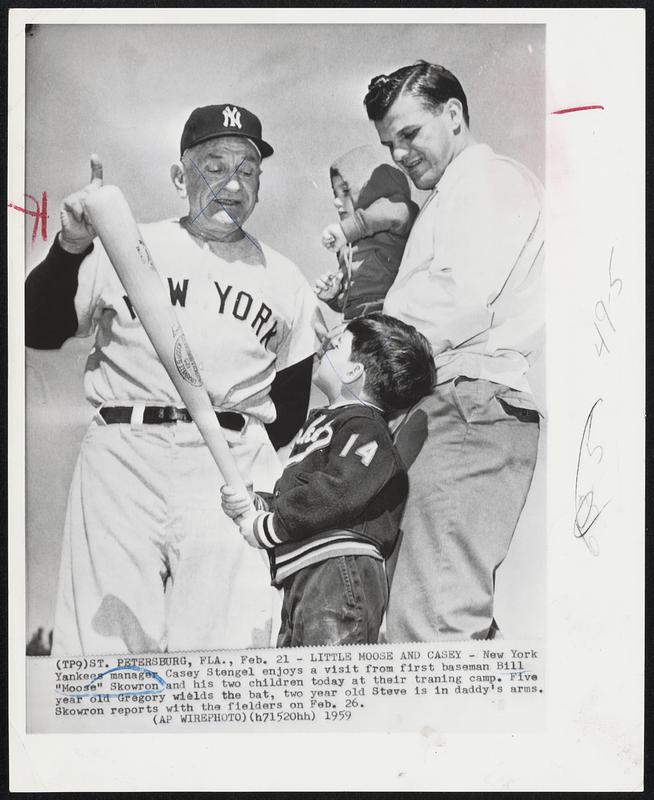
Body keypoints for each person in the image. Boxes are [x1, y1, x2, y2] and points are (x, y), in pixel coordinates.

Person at [25, 103, 318, 655]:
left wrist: (239, 465)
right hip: (123, 454)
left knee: (225, 649)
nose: (232, 183)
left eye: (247, 169)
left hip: (227, 462)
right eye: (213, 165)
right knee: (104, 649)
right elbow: (38, 329)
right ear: (179, 176)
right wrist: (69, 248)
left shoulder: (285, 279)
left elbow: (291, 406)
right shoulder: (125, 243)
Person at [363, 61, 544, 641]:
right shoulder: (449, 198)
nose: (401, 155)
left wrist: (362, 347)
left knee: (433, 623)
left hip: (469, 405)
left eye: (410, 134)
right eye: (390, 144)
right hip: (443, 410)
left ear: (454, 114)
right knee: (425, 613)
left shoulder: (490, 180)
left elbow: (459, 299)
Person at [221, 314, 435, 647]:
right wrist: (259, 504)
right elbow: (305, 490)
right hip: (305, 574)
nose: (323, 347)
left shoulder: (367, 428)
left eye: (335, 346)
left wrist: (270, 526)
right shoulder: (328, 422)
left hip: (337, 571)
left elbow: (337, 492)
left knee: (331, 682)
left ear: (353, 372)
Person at [314, 145, 418, 319]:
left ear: (374, 188)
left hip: (388, 314)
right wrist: (335, 295)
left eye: (345, 191)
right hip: (355, 320)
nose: (336, 202)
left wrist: (349, 229)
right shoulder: (346, 245)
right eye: (335, 193)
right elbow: (352, 297)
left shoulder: (396, 210)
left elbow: (389, 213)